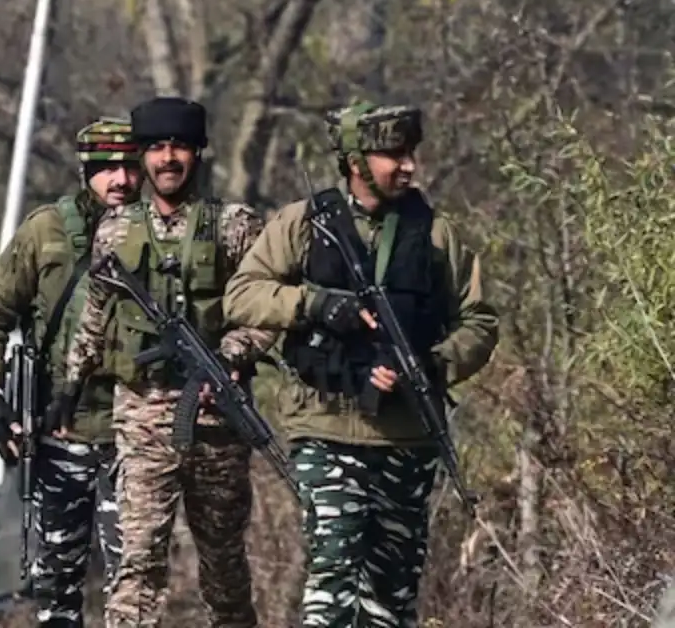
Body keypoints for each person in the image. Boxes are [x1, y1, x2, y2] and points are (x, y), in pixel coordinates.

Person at [223, 101, 499, 627]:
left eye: (411, 153)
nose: (409, 166)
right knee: (333, 573)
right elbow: (243, 296)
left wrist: (434, 366)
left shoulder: (436, 234)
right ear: (356, 162)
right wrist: (314, 303)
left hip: (407, 434)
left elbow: (480, 321)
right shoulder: (303, 224)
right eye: (394, 155)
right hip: (324, 427)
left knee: (392, 596)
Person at [63, 97, 272, 628]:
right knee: (137, 562)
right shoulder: (116, 230)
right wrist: (69, 387)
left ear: (197, 153)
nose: (168, 158)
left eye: (179, 147)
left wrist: (230, 355)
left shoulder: (235, 226)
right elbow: (95, 315)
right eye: (156, 148)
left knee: (224, 568)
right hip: (142, 415)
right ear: (143, 157)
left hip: (218, 419)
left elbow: (267, 312)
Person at [0, 117, 144, 627]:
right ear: (85, 171)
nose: (120, 179)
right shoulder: (47, 231)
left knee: (134, 582)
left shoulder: (159, 233)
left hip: (134, 433)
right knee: (55, 586)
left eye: (130, 167)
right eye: (107, 168)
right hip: (60, 432)